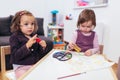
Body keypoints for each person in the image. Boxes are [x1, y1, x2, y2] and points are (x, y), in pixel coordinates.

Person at [9, 10, 47, 79]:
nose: (30, 26)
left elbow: (39, 53)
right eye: (26, 24)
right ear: (18, 26)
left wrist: (43, 47)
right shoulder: (14, 37)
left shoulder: (34, 36)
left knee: (45, 75)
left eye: (32, 24)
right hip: (21, 67)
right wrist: (27, 46)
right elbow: (15, 56)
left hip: (34, 65)